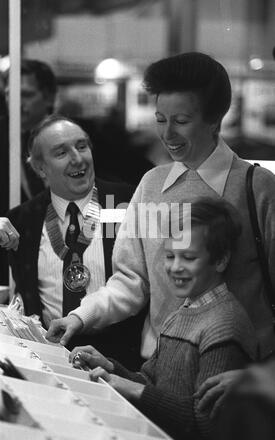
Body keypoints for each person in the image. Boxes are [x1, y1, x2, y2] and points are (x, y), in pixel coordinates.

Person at [46, 51, 275, 362]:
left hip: (238, 378)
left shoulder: (257, 188)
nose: (168, 134)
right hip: (159, 370)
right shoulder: (152, 185)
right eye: (160, 120)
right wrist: (80, 317)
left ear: (215, 119)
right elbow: (132, 280)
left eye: (181, 121)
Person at [68, 198, 258, 440]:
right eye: (170, 256)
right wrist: (111, 369)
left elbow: (205, 423)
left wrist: (128, 387)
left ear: (221, 260)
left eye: (188, 258)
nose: (175, 267)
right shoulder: (183, 311)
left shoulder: (225, 326)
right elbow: (151, 383)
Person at [7, 115, 145, 369]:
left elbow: (142, 284)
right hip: (49, 356)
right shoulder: (23, 219)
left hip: (121, 359)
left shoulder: (128, 202)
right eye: (61, 152)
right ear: (40, 168)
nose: (78, 158)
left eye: (82, 146)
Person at [0, 59, 58, 285]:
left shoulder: (75, 138)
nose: (16, 103)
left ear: (49, 97)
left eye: (25, 94)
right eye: (9, 95)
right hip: (10, 267)